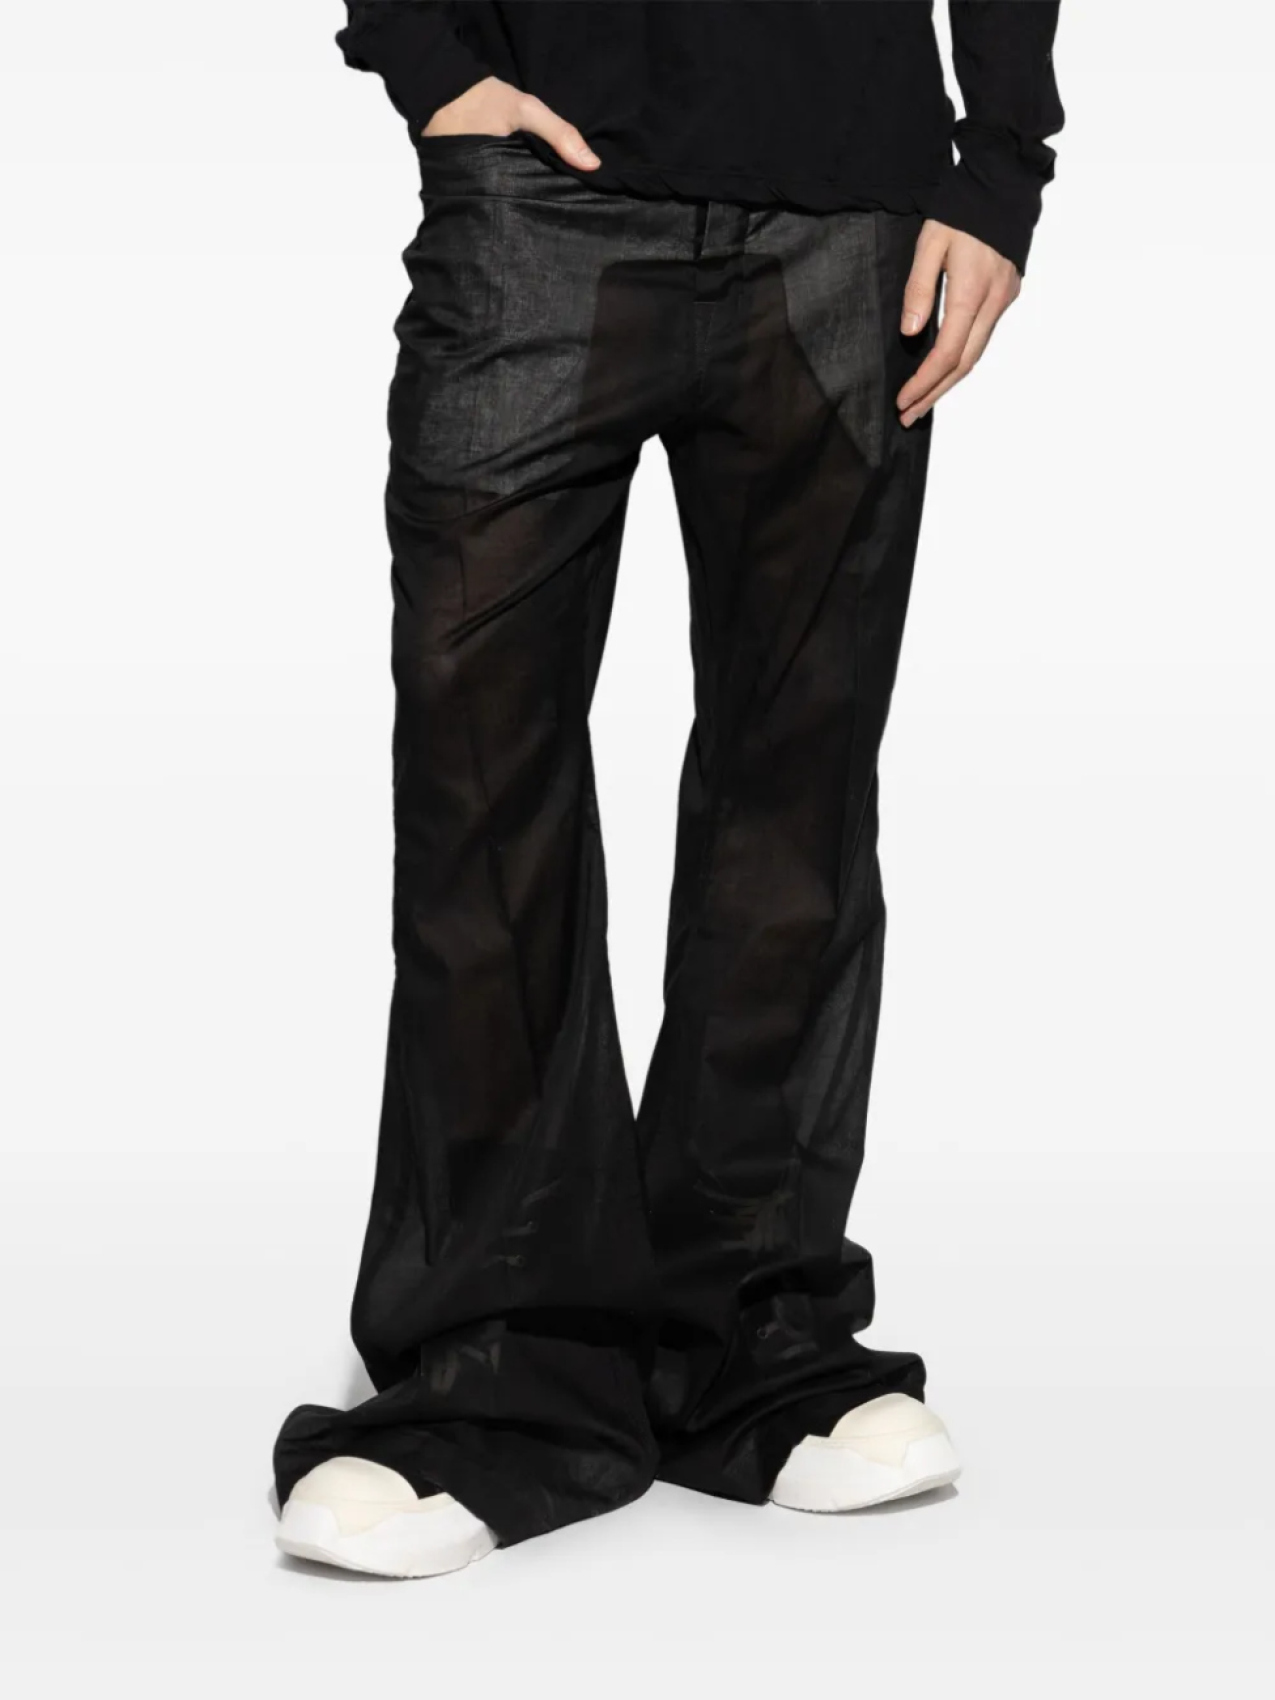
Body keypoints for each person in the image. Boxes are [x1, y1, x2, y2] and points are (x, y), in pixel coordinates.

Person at [273, 0, 1063, 1578]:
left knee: (800, 787)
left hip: (851, 207)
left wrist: (998, 166)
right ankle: (496, 1360)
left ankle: (751, 1330)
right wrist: (425, 56)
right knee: (479, 777)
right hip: (539, 196)